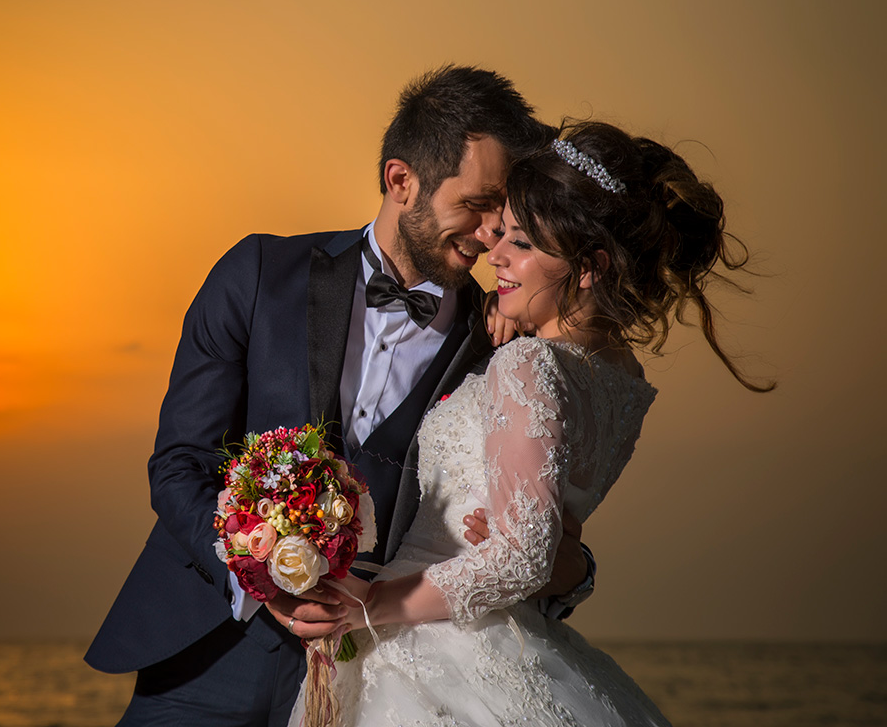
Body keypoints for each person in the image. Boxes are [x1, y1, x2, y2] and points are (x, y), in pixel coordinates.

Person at [85, 66, 594, 726]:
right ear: (401, 180)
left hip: (375, 678)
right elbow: (180, 462)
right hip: (207, 652)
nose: (492, 230)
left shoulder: (500, 349)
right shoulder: (257, 274)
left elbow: (532, 534)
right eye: (478, 202)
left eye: (505, 210)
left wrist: (573, 573)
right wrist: (259, 577)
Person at [290, 120, 774, 727]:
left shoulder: (527, 363)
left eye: (520, 243)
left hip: (432, 644)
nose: (493, 254)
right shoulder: (623, 379)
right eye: (502, 235)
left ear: (589, 266)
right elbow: (545, 542)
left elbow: (521, 557)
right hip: (520, 642)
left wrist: (368, 606)